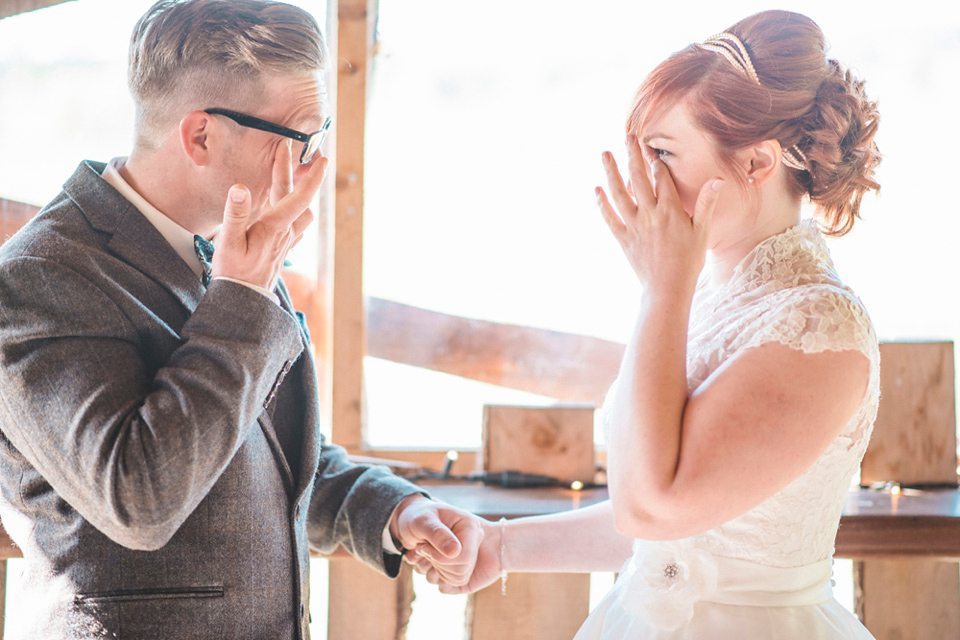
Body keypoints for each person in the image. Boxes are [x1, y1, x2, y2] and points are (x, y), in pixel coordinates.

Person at [0, 1, 481, 638]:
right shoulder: (37, 278)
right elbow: (140, 496)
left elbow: (254, 448)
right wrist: (243, 296)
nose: (314, 167)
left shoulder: (230, 250)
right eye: (300, 138)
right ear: (201, 135)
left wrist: (388, 509)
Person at [410, 10, 881, 639]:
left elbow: (653, 505)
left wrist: (663, 287)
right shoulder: (718, 297)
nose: (643, 180)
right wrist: (502, 546)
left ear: (758, 164)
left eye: (661, 153)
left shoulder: (821, 328)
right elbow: (680, 535)